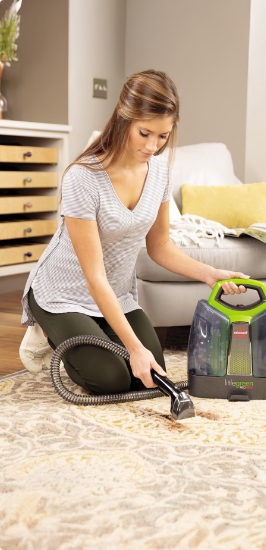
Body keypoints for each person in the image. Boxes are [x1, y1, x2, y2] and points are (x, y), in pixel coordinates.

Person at [19, 69, 249, 394]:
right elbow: (94, 277)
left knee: (150, 373)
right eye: (145, 133)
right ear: (124, 118)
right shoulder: (82, 178)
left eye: (163, 136)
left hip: (115, 295)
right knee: (110, 379)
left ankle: (94, 335)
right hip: (64, 294)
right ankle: (48, 331)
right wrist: (134, 348)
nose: (153, 146)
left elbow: (160, 247)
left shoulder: (159, 172)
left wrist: (210, 273)